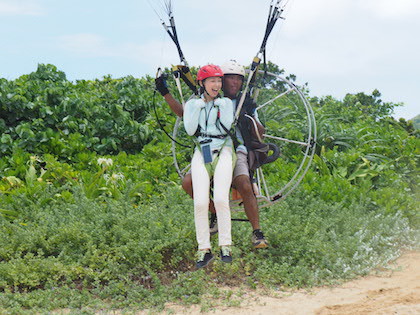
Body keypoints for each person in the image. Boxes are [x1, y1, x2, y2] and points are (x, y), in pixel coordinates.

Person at [155, 60, 268, 249]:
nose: (235, 83)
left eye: (239, 80)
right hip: (208, 151)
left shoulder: (246, 104)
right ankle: (215, 213)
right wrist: (166, 93)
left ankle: (257, 232)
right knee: (188, 183)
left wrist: (250, 119)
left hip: (235, 149)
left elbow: (260, 132)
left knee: (244, 183)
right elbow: (184, 114)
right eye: (230, 79)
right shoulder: (207, 99)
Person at [183, 64, 234, 268]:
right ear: (202, 83)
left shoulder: (226, 103)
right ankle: (204, 249)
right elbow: (189, 130)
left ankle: (226, 246)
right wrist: (197, 108)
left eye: (219, 80)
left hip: (223, 149)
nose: (217, 84)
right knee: (200, 202)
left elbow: (228, 124)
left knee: (221, 198)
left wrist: (218, 106)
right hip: (202, 150)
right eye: (212, 80)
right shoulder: (192, 104)